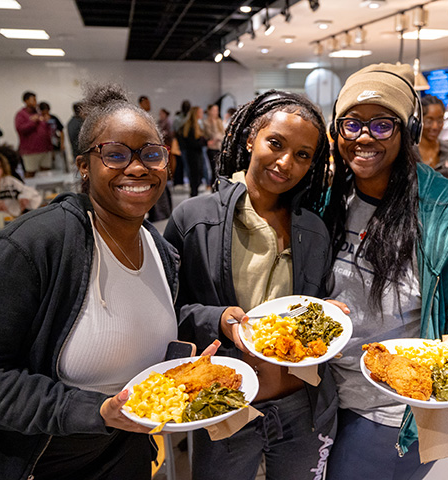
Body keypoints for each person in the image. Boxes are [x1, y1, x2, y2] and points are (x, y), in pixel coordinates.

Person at [0, 82, 212, 480]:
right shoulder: (29, 248)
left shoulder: (160, 249)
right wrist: (92, 410)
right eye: (115, 154)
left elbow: (138, 332)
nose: (137, 167)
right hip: (29, 465)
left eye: (152, 155)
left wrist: (205, 337)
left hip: (120, 459)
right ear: (84, 166)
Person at [322, 63, 448, 479]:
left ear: (408, 131)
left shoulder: (446, 211)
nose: (364, 136)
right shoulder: (329, 199)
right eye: (351, 124)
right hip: (323, 393)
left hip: (393, 408)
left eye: (382, 125)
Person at [164, 90, 337, 480]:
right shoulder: (194, 220)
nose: (285, 162)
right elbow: (165, 314)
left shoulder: (312, 228)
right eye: (275, 144)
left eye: (303, 155)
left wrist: (328, 316)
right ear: (249, 138)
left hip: (302, 406)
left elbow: (317, 305)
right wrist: (218, 318)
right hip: (228, 404)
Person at [417, 95, 448, 179]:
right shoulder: (409, 151)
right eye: (429, 121)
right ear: (419, 121)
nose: (435, 126)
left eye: (440, 120)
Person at [14, 91, 52, 178]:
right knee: (31, 173)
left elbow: (46, 130)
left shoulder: (39, 114)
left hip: (44, 149)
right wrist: (33, 122)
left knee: (46, 172)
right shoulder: (21, 115)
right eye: (33, 100)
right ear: (26, 101)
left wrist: (47, 122)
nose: (35, 102)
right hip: (30, 151)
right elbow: (20, 129)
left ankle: (46, 191)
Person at [178, 106, 206, 197]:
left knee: (196, 174)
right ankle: (194, 193)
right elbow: (192, 142)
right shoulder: (192, 127)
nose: (202, 114)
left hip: (194, 153)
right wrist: (203, 142)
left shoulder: (192, 125)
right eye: (200, 112)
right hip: (193, 153)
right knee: (195, 174)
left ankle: (194, 193)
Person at [39, 101, 66, 171]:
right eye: (44, 112)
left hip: (56, 145)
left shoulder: (54, 118)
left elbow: (61, 131)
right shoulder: (39, 120)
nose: (46, 114)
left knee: (59, 166)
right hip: (44, 148)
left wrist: (62, 144)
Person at [203, 103, 225, 188]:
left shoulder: (219, 121)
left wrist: (217, 137)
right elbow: (210, 134)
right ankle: (213, 186)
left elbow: (222, 134)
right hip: (211, 148)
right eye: (214, 110)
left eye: (217, 110)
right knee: (213, 169)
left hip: (219, 147)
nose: (216, 112)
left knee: (219, 168)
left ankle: (218, 186)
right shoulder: (206, 122)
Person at [172, 99, 191, 187]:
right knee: (181, 164)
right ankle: (179, 181)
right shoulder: (179, 118)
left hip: (188, 144)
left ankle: (185, 181)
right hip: (181, 144)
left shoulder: (188, 118)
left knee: (187, 164)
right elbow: (175, 129)